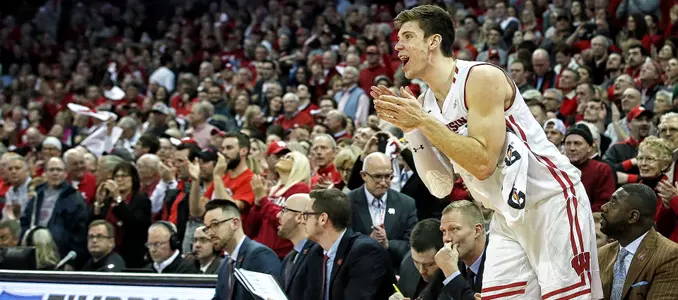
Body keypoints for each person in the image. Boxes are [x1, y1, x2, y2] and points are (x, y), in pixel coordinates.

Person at [373, 5, 602, 299]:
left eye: (407, 36)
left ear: (434, 41)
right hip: (506, 214)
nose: (397, 44)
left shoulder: (480, 78)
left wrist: (422, 121)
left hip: (550, 200)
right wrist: (412, 129)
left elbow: (482, 163)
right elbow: (440, 185)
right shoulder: (427, 103)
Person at [303, 188, 395, 300]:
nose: (303, 220)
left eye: (307, 214)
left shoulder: (365, 252)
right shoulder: (316, 252)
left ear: (323, 219)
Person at [598, 184, 678, 299]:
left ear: (633, 217)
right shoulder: (602, 253)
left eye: (613, 203)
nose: (604, 207)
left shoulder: (670, 255)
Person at [348, 152, 418, 271]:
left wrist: (387, 244)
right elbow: (342, 242)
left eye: (388, 176)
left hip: (394, 273)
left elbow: (412, 246)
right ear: (363, 175)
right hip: (357, 271)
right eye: (377, 176)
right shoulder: (347, 202)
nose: (383, 182)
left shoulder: (406, 204)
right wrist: (368, 241)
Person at [20, 157, 89, 269]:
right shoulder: (37, 195)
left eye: (59, 170)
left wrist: (72, 262)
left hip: (60, 256)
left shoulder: (75, 199)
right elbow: (25, 221)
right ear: (45, 173)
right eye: (51, 170)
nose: (55, 173)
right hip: (33, 253)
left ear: (66, 173)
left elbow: (80, 234)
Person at [205, 199, 281, 300]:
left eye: (215, 224)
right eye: (207, 228)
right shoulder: (225, 264)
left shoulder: (259, 255)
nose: (210, 233)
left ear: (235, 223)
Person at [248, 151, 311, 258]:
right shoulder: (272, 190)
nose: (282, 158)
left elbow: (285, 219)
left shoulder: (300, 188)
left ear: (299, 165)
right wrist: (257, 204)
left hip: (281, 254)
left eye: (288, 157)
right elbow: (251, 226)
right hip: (262, 250)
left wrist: (263, 200)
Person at [91, 162, 151, 268]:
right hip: (106, 255)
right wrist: (98, 203)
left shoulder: (141, 200)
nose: (119, 179)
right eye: (116, 176)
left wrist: (118, 198)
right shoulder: (109, 201)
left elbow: (135, 224)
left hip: (131, 255)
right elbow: (95, 224)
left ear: (133, 179)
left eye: (123, 176)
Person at [392, 219, 446, 300]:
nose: (422, 271)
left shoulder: (456, 278)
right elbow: (401, 292)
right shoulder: (408, 264)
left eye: (429, 264)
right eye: (416, 262)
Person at [277, 193, 315, 299]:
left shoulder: (316, 255)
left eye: (284, 210)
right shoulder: (289, 257)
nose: (278, 215)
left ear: (300, 217)